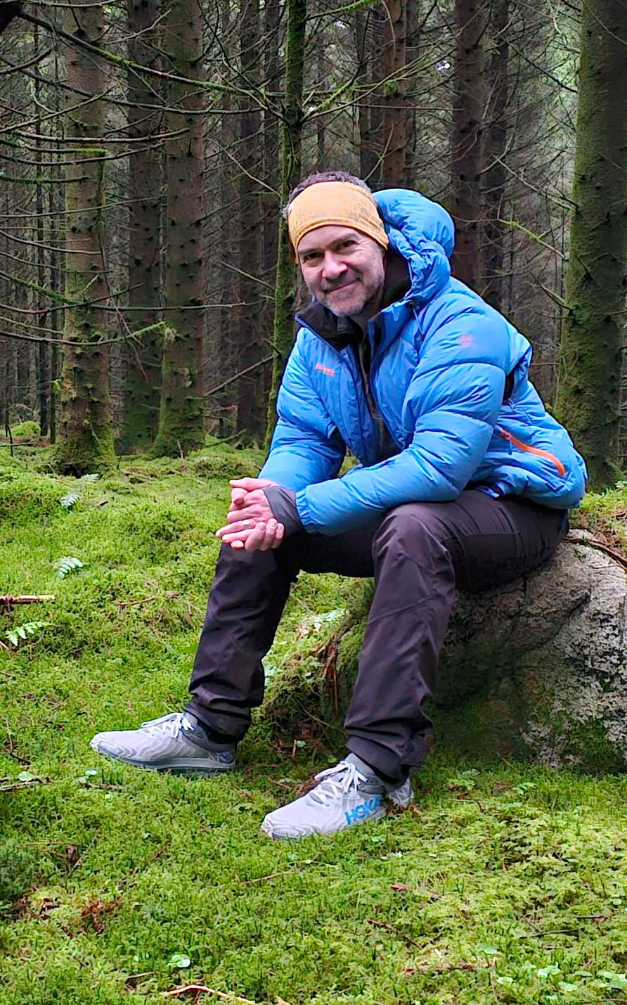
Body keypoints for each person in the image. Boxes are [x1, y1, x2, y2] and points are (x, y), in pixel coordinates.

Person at [92, 173, 587, 839]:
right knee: (259, 518)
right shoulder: (321, 338)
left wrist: (301, 508)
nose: (331, 269)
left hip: (514, 506)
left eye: (345, 246)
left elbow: (440, 466)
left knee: (413, 528)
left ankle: (379, 769)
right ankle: (209, 728)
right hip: (420, 501)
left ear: (379, 243)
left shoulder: (461, 323)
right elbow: (303, 440)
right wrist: (271, 503)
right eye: (311, 255)